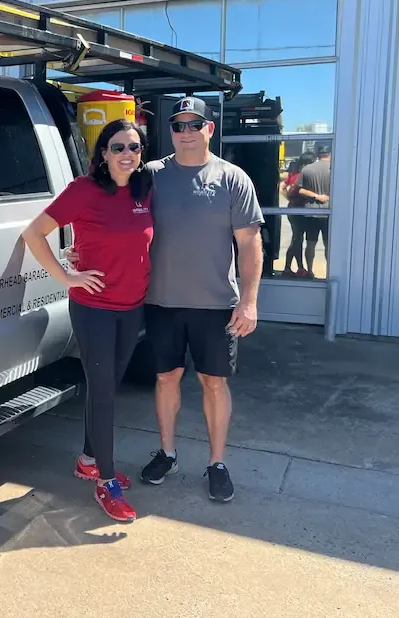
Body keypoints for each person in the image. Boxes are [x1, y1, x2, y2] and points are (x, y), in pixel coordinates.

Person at [69, 96, 264, 503]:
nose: (186, 132)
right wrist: (80, 253)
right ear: (170, 131)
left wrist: (249, 301)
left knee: (214, 383)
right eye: (179, 125)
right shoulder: (150, 175)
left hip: (216, 304)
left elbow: (249, 244)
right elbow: (111, 215)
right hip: (160, 302)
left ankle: (216, 463)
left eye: (195, 124)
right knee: (165, 378)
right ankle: (167, 454)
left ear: (210, 129)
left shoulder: (233, 178)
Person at [21, 119, 153, 522]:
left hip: (132, 306)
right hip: (94, 307)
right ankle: (106, 482)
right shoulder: (84, 189)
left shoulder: (146, 190)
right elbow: (34, 233)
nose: (127, 154)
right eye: (118, 147)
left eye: (134, 147)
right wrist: (66, 275)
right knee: (103, 393)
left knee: (107, 386)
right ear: (103, 153)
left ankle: (88, 460)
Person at [295, 145, 331, 278]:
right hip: (329, 212)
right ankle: (329, 272)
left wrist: (316, 196)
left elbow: (299, 189)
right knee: (329, 245)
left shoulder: (307, 169)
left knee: (310, 243)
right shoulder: (334, 169)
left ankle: (309, 270)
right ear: (330, 154)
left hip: (311, 211)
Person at [281, 152, 316, 277]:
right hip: (299, 210)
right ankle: (292, 268)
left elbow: (282, 186)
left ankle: (294, 267)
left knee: (297, 239)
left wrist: (289, 199)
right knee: (297, 240)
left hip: (293, 209)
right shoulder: (302, 175)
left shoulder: (294, 173)